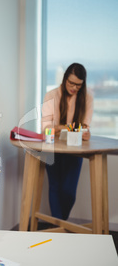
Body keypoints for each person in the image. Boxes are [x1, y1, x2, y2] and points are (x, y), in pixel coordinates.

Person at [41, 63, 93, 220]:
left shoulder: (87, 98)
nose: (74, 87)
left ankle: (60, 225)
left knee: (69, 191)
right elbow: (46, 129)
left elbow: (85, 127)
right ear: (64, 80)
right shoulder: (51, 96)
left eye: (78, 85)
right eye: (71, 83)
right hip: (52, 148)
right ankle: (59, 227)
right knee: (55, 187)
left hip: (75, 150)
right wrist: (70, 127)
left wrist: (85, 132)